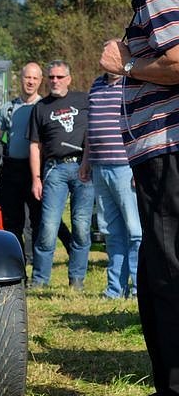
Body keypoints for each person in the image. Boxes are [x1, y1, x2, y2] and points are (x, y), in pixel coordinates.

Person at [99, 0, 179, 396]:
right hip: (160, 153)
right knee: (154, 268)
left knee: (167, 269)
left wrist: (125, 66)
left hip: (168, 150)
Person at [0, 63, 71, 266]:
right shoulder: (7, 109)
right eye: (27, 77)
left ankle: (37, 262)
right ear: (21, 78)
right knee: (13, 222)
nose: (30, 82)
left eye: (35, 78)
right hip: (12, 170)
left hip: (37, 169)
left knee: (38, 221)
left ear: (40, 81)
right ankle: (16, 265)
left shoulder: (45, 107)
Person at [28, 60, 92, 290]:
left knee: (82, 226)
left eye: (59, 77)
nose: (55, 81)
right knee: (48, 226)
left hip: (83, 168)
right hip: (53, 169)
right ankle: (40, 280)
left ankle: (77, 280)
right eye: (51, 77)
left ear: (69, 78)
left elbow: (94, 132)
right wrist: (36, 178)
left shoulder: (84, 100)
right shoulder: (41, 107)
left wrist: (89, 162)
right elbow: (35, 145)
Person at [79, 73, 141, 299]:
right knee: (111, 231)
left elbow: (138, 122)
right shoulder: (96, 83)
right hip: (99, 166)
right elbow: (90, 127)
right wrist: (86, 161)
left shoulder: (131, 82)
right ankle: (115, 289)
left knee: (135, 231)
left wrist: (137, 165)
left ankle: (138, 288)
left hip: (125, 166)